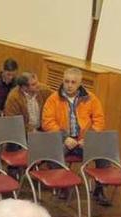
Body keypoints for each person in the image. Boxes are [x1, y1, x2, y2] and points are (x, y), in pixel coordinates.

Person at [42, 67, 108, 204]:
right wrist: (64, 137)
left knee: (103, 155)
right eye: (66, 81)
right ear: (63, 81)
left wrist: (89, 139)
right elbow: (47, 122)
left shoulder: (91, 98)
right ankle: (63, 186)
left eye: (73, 82)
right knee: (52, 154)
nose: (69, 85)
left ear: (79, 83)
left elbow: (99, 120)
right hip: (63, 139)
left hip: (83, 140)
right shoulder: (53, 99)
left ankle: (99, 190)